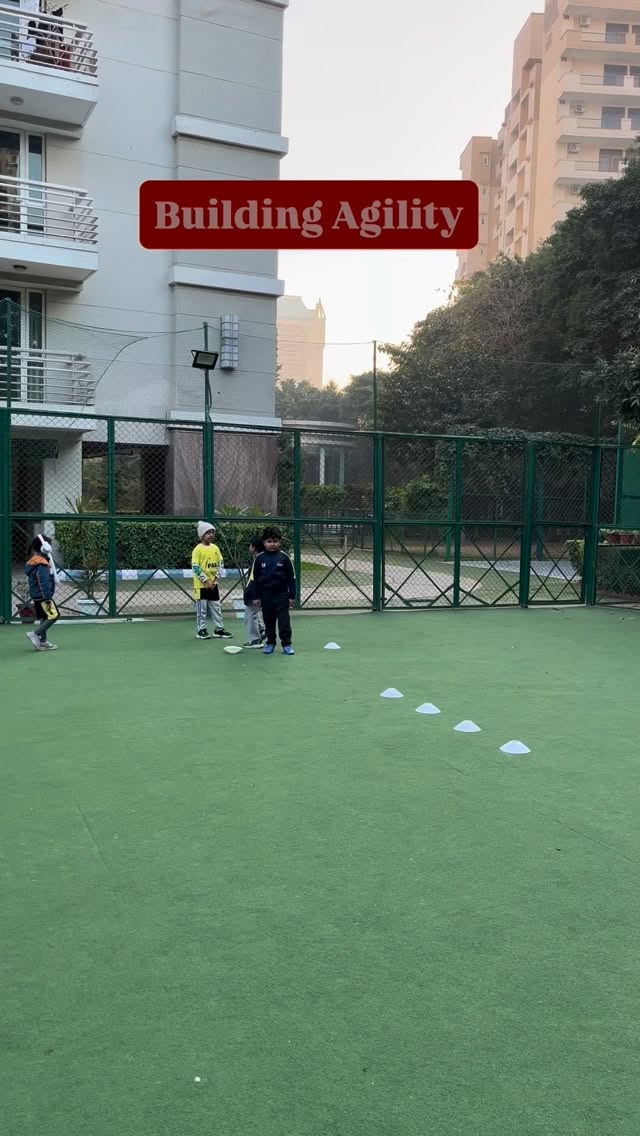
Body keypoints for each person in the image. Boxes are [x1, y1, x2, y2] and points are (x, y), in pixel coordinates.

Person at [250, 525, 296, 655]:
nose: (272, 544)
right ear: (264, 542)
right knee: (268, 621)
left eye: (275, 541)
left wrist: (292, 596)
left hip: (282, 595)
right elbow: (254, 579)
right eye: (269, 541)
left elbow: (292, 578)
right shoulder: (259, 558)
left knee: (284, 622)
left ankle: (287, 644)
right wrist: (256, 596)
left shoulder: (284, 558)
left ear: (279, 542)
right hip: (265, 596)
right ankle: (270, 643)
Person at [191, 521, 232, 641]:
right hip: (201, 586)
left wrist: (216, 579)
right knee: (202, 610)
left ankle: (219, 629)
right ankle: (202, 630)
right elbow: (195, 566)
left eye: (212, 532)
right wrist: (205, 581)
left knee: (216, 607)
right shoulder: (197, 549)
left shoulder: (215, 548)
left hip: (213, 584)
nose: (211, 535)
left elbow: (221, 563)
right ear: (201, 535)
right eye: (208, 532)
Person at [25, 534, 60, 652]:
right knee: (54, 615)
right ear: (45, 547)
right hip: (43, 597)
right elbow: (43, 582)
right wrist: (47, 598)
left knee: (45, 617)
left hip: (37, 596)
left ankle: (43, 641)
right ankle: (35, 633)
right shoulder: (42, 564)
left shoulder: (34, 561)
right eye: (50, 545)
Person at [243, 534, 266, 648]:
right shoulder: (263, 558)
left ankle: (255, 640)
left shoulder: (258, 560)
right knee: (254, 614)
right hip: (258, 593)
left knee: (249, 616)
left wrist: (253, 595)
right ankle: (261, 631)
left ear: (254, 547)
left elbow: (255, 579)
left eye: (250, 545)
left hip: (255, 594)